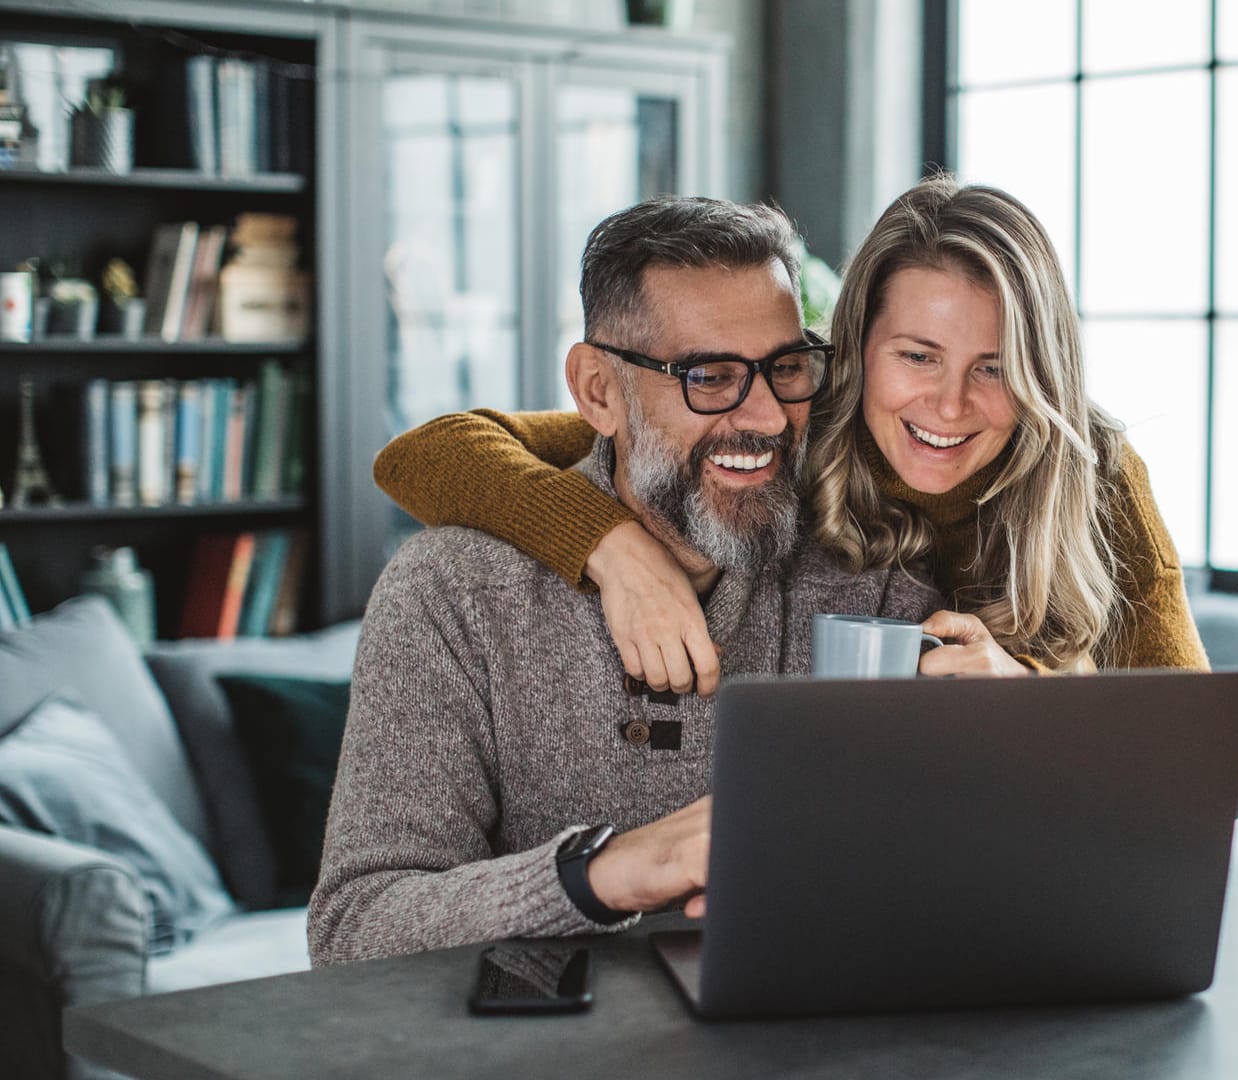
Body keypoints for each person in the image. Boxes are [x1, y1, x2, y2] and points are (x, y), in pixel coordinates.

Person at [308, 197, 941, 965]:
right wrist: (609, 874)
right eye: (709, 376)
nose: (770, 419)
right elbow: (355, 930)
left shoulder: (874, 576)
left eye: (784, 368)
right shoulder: (450, 595)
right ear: (599, 392)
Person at [373, 175, 1206, 698]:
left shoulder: (1091, 474)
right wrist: (612, 547)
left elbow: (1190, 761)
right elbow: (426, 452)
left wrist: (1033, 702)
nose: (949, 405)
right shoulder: (790, 422)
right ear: (854, 350)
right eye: (917, 356)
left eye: (995, 367)